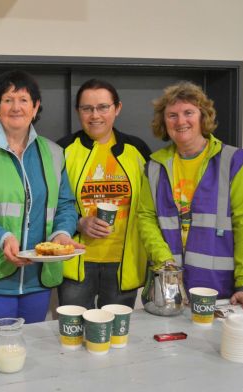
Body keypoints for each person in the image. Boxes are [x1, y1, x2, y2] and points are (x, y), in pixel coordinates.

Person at [0, 70, 81, 328]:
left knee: (32, 348)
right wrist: (3, 237)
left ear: (35, 108)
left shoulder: (54, 153)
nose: (16, 107)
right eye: (8, 99)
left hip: (39, 276)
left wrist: (62, 235)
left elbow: (66, 204)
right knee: (0, 348)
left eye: (24, 100)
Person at [138, 81, 243, 313]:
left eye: (189, 112)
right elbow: (145, 217)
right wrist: (165, 263)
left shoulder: (234, 162)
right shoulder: (154, 165)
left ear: (203, 117)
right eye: (172, 115)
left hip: (220, 290)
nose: (181, 121)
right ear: (163, 122)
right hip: (169, 289)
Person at [56, 79, 151, 309]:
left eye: (103, 107)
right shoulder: (62, 149)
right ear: (78, 111)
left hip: (123, 262)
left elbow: (150, 208)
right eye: (87, 108)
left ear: (117, 108)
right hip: (76, 260)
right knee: (74, 335)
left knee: (117, 338)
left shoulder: (137, 150)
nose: (94, 115)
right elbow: (50, 204)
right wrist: (79, 223)